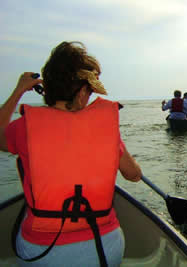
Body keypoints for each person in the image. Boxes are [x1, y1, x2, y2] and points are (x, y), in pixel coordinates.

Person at [0, 41, 142, 267]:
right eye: (89, 90)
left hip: (42, 254)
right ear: (82, 91)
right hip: (104, 249)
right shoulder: (105, 128)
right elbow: (134, 174)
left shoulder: (25, 127)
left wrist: (18, 90)